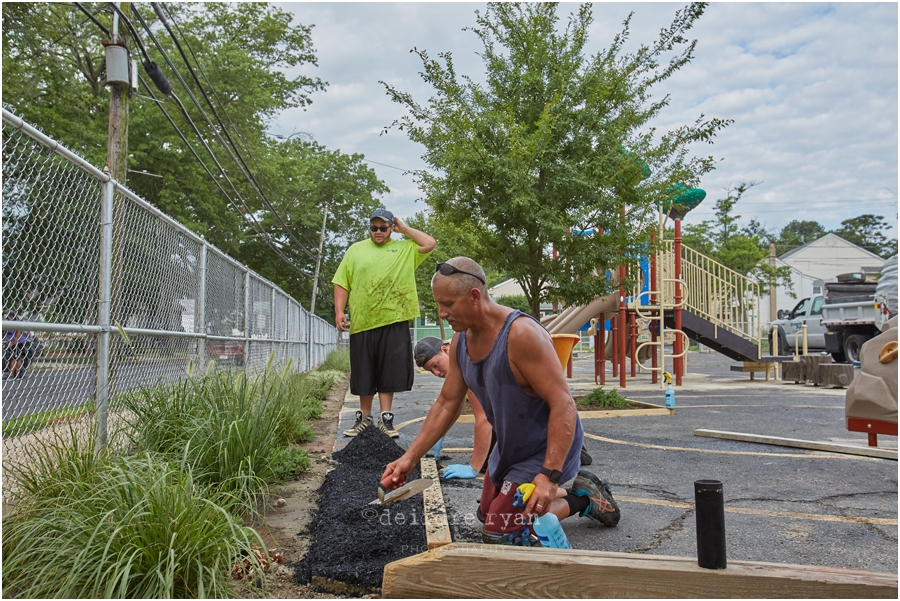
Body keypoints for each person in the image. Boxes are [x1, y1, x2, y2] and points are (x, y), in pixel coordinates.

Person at [383, 257, 619, 546]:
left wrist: (548, 476)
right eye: (439, 304)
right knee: (487, 514)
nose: (442, 314)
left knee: (501, 530)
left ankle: (584, 497)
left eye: (448, 304)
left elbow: (564, 405)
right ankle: (545, 498)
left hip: (544, 448)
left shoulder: (522, 335)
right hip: (509, 448)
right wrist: (409, 459)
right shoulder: (460, 340)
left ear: (474, 296)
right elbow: (447, 403)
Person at [414, 336, 594, 479]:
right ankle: (570, 446)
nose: (437, 373)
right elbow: (452, 404)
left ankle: (568, 450)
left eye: (436, 366)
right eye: (431, 371)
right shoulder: (463, 357)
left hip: (538, 422)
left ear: (445, 350)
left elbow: (483, 420)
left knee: (492, 469)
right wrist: (439, 434)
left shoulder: (467, 360)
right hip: (538, 418)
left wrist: (474, 467)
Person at [333, 208, 436, 438]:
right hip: (363, 321)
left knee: (389, 372)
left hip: (394, 318)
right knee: (364, 371)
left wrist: (405, 229)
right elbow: (342, 282)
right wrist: (340, 310)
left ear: (391, 227)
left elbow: (430, 243)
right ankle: (364, 417)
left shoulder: (405, 248)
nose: (377, 232)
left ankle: (386, 418)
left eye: (382, 227)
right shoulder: (355, 250)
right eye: (373, 228)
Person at [3, 312, 28, 380]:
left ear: (11, 316)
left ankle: (12, 375)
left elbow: (18, 331)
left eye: (9, 317)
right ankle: (16, 374)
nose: (8, 318)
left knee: (14, 358)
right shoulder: (10, 323)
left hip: (18, 343)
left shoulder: (16, 322)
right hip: (13, 342)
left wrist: (14, 341)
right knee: (16, 358)